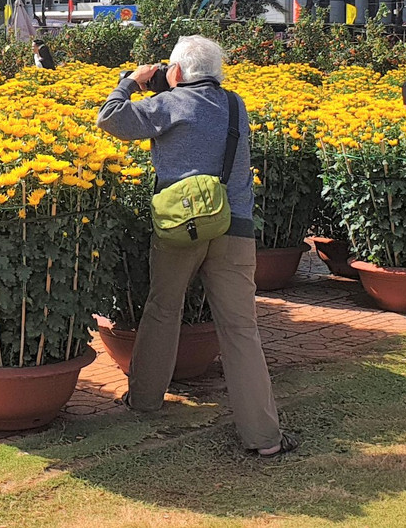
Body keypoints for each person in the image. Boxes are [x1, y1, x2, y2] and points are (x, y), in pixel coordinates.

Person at [96, 36, 294, 457]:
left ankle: (145, 401)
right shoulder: (236, 105)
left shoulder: (168, 107)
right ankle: (265, 438)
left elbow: (109, 118)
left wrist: (130, 81)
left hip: (178, 229)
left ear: (179, 72)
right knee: (241, 330)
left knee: (163, 310)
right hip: (234, 227)